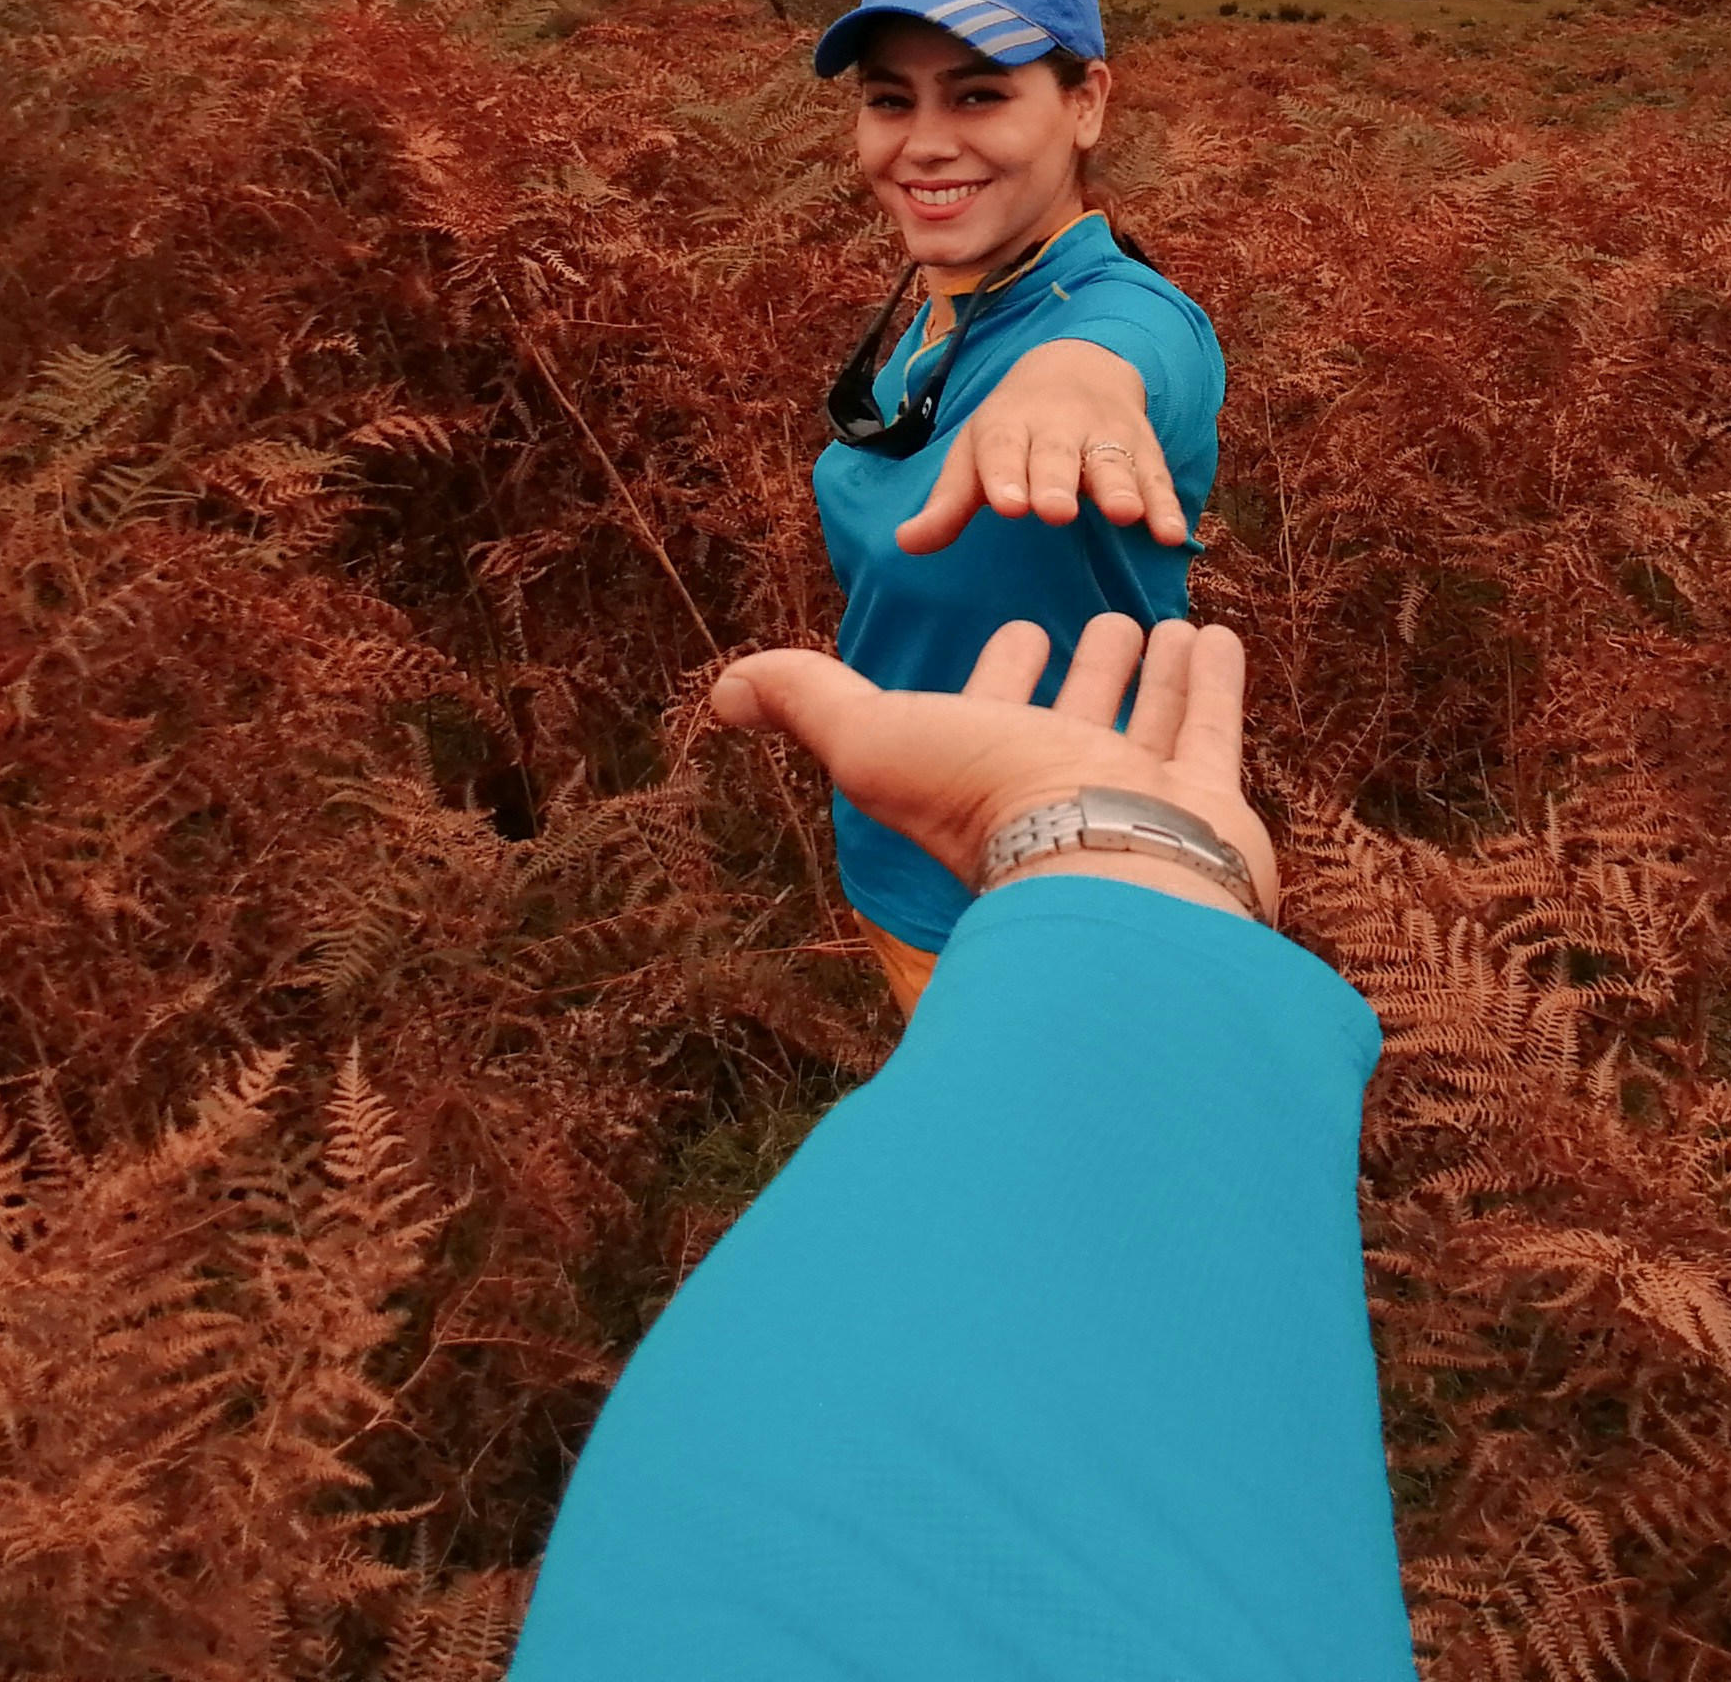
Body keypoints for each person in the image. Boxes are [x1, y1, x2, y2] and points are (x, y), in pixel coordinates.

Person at [507, 610, 1414, 1680]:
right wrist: (1118, 878)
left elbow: (852, 1548)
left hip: (1029, 898)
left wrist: (1098, 872)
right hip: (1017, 901)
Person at [807, 0, 1227, 1011]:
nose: (923, 144)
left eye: (979, 96)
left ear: (1085, 103)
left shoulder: (1119, 315)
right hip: (901, 849)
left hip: (1051, 882)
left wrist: (1068, 385)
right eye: (891, 100)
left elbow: (1118, 359)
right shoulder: (946, 297)